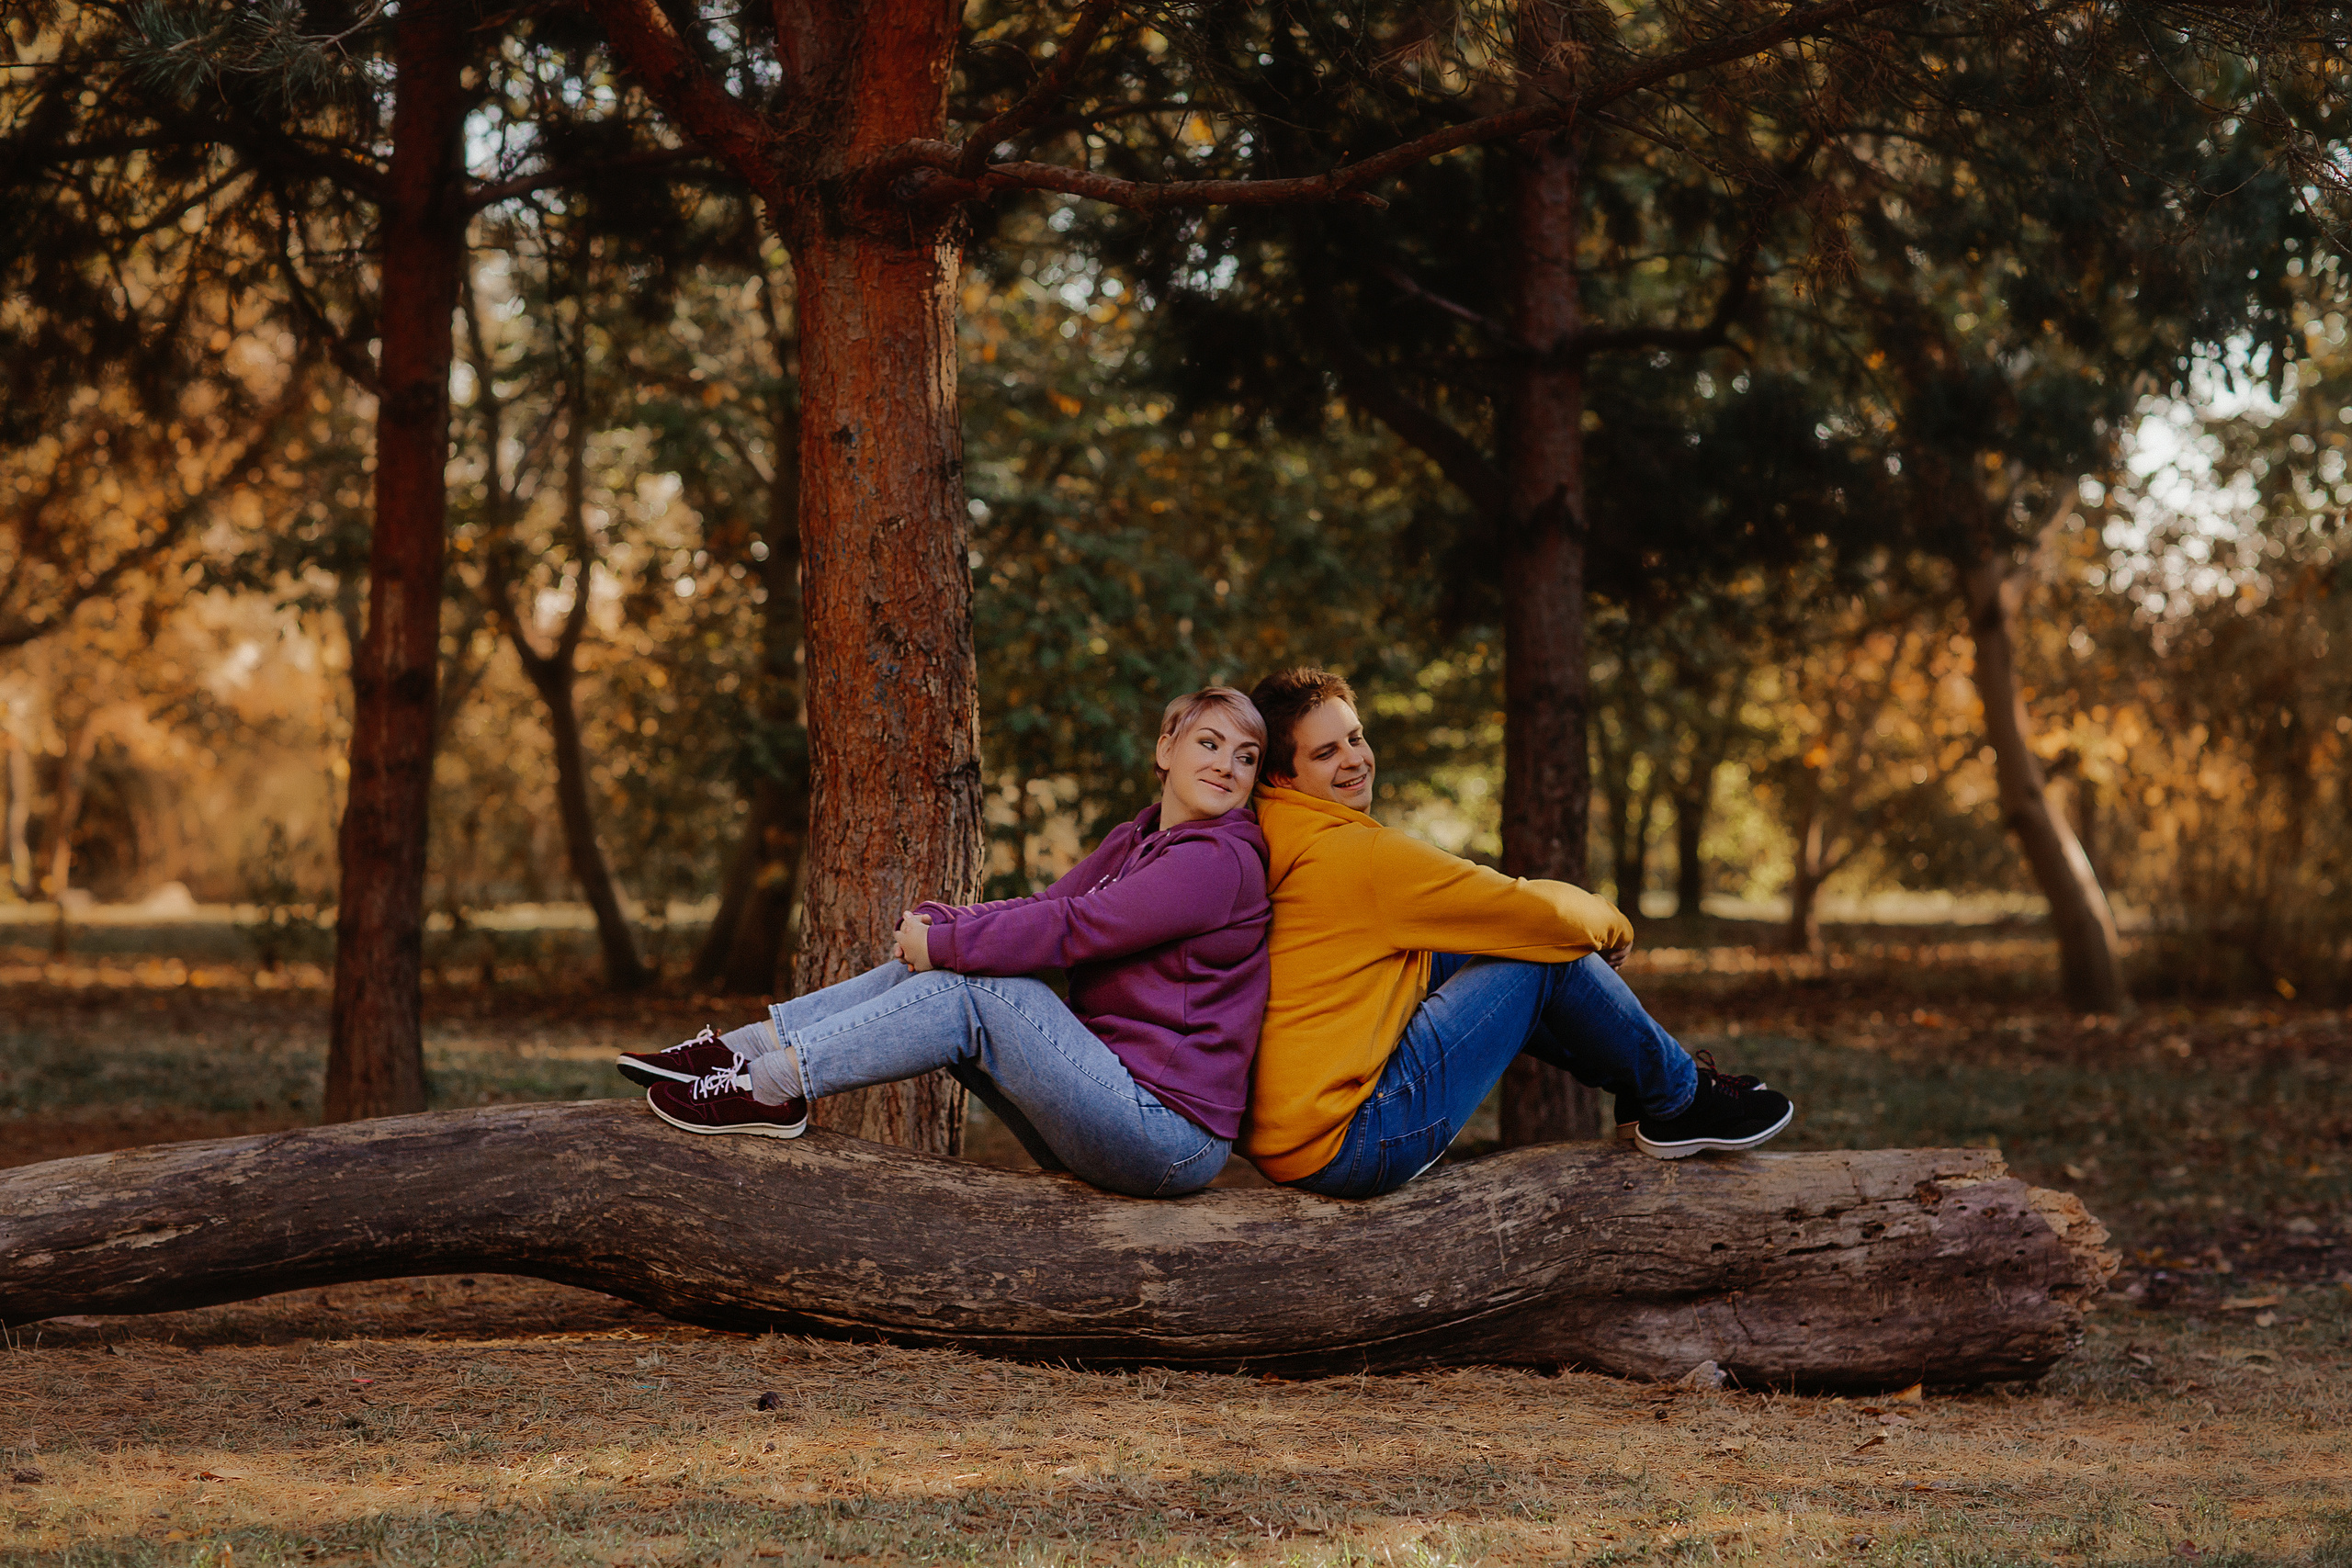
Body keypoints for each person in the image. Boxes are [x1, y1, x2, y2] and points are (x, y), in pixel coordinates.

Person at [615, 687, 1272, 1200]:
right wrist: (944, 920)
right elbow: (1048, 905)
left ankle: (774, 1085)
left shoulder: (1218, 862)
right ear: (1165, 749)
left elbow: (1074, 932)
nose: (1226, 765)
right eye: (1210, 743)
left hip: (1166, 1136)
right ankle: (739, 1052)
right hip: (1113, 1100)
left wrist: (949, 942)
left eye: (1246, 757)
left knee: (980, 985)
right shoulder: (1139, 837)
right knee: (963, 967)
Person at [1239, 667, 1792, 1199]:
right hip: (1353, 1144)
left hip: (1286, 1138)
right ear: (1284, 776)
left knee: (1470, 947)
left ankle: (1645, 1089)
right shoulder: (1358, 856)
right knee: (1540, 953)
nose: (1355, 759)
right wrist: (1611, 922)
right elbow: (1528, 909)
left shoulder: (1265, 835)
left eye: (1355, 738)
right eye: (1326, 752)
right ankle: (1678, 1100)